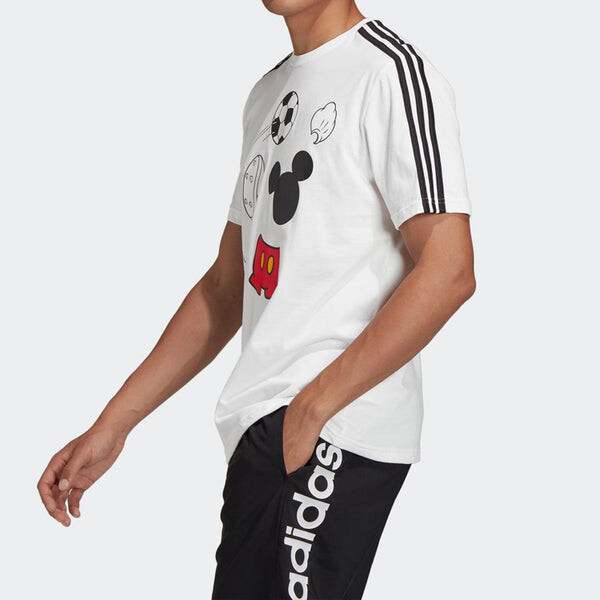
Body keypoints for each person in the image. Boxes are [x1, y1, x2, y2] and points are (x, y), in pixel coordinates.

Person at [38, 0, 475, 598]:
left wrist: (315, 406)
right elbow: (227, 287)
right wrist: (114, 424)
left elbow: (449, 270)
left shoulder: (391, 75)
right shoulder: (270, 93)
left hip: (333, 430)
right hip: (263, 431)